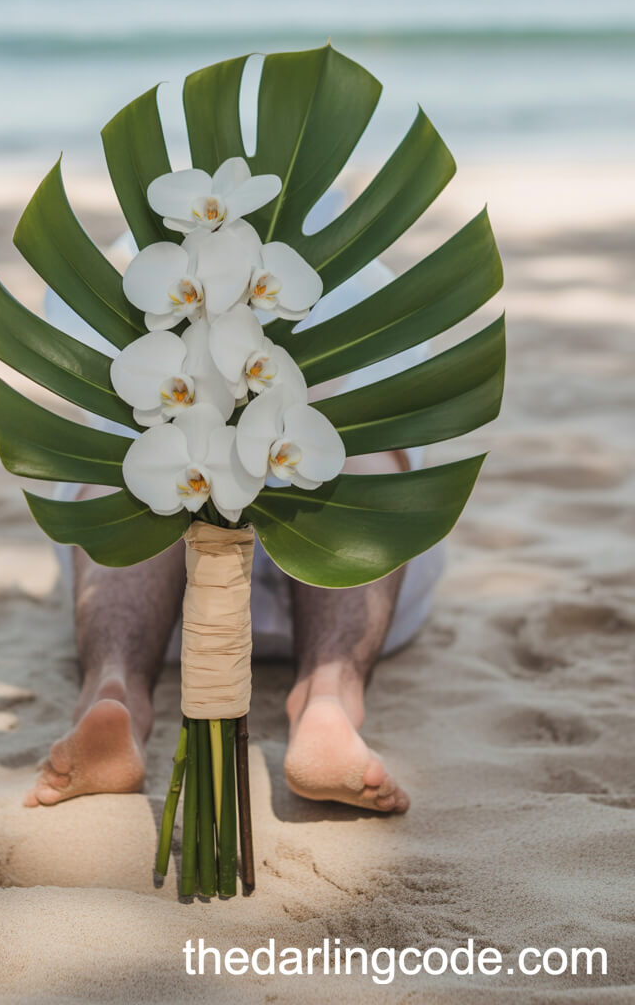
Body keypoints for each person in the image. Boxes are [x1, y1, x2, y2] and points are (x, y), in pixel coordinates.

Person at [23, 195, 444, 815]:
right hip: (181, 604)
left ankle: (118, 689)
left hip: (213, 605)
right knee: (137, 471)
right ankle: (325, 700)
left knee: (353, 458)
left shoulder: (352, 277)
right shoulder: (355, 274)